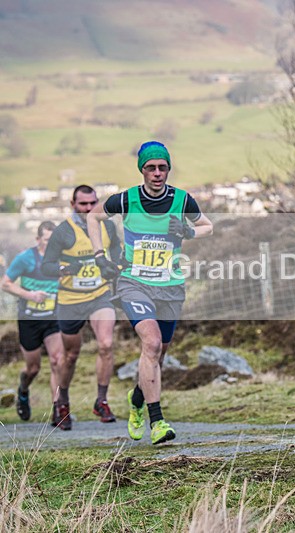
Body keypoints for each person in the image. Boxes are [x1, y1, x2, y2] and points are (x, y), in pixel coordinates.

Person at [87, 141, 213, 445]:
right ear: (142, 170)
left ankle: (137, 397)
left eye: (162, 167)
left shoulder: (182, 200)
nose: (157, 173)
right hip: (134, 283)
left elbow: (208, 226)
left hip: (169, 287)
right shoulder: (126, 199)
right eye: (150, 167)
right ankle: (156, 421)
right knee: (152, 342)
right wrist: (99, 256)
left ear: (168, 169)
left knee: (158, 353)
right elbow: (93, 216)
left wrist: (188, 231)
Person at [42, 185, 122, 430]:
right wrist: (66, 270)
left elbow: (117, 251)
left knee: (106, 344)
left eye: (92, 203)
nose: (88, 208)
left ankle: (101, 400)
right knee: (70, 355)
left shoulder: (107, 226)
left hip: (99, 296)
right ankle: (62, 402)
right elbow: (46, 267)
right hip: (70, 301)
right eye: (83, 204)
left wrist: (114, 266)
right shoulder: (63, 232)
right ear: (73, 204)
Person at [1, 221, 64, 422]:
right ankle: (23, 390)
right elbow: (6, 284)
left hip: (53, 318)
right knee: (33, 368)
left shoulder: (62, 258)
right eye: (47, 240)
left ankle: (58, 408)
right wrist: (30, 295)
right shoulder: (25, 258)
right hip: (29, 320)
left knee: (57, 360)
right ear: (38, 240)